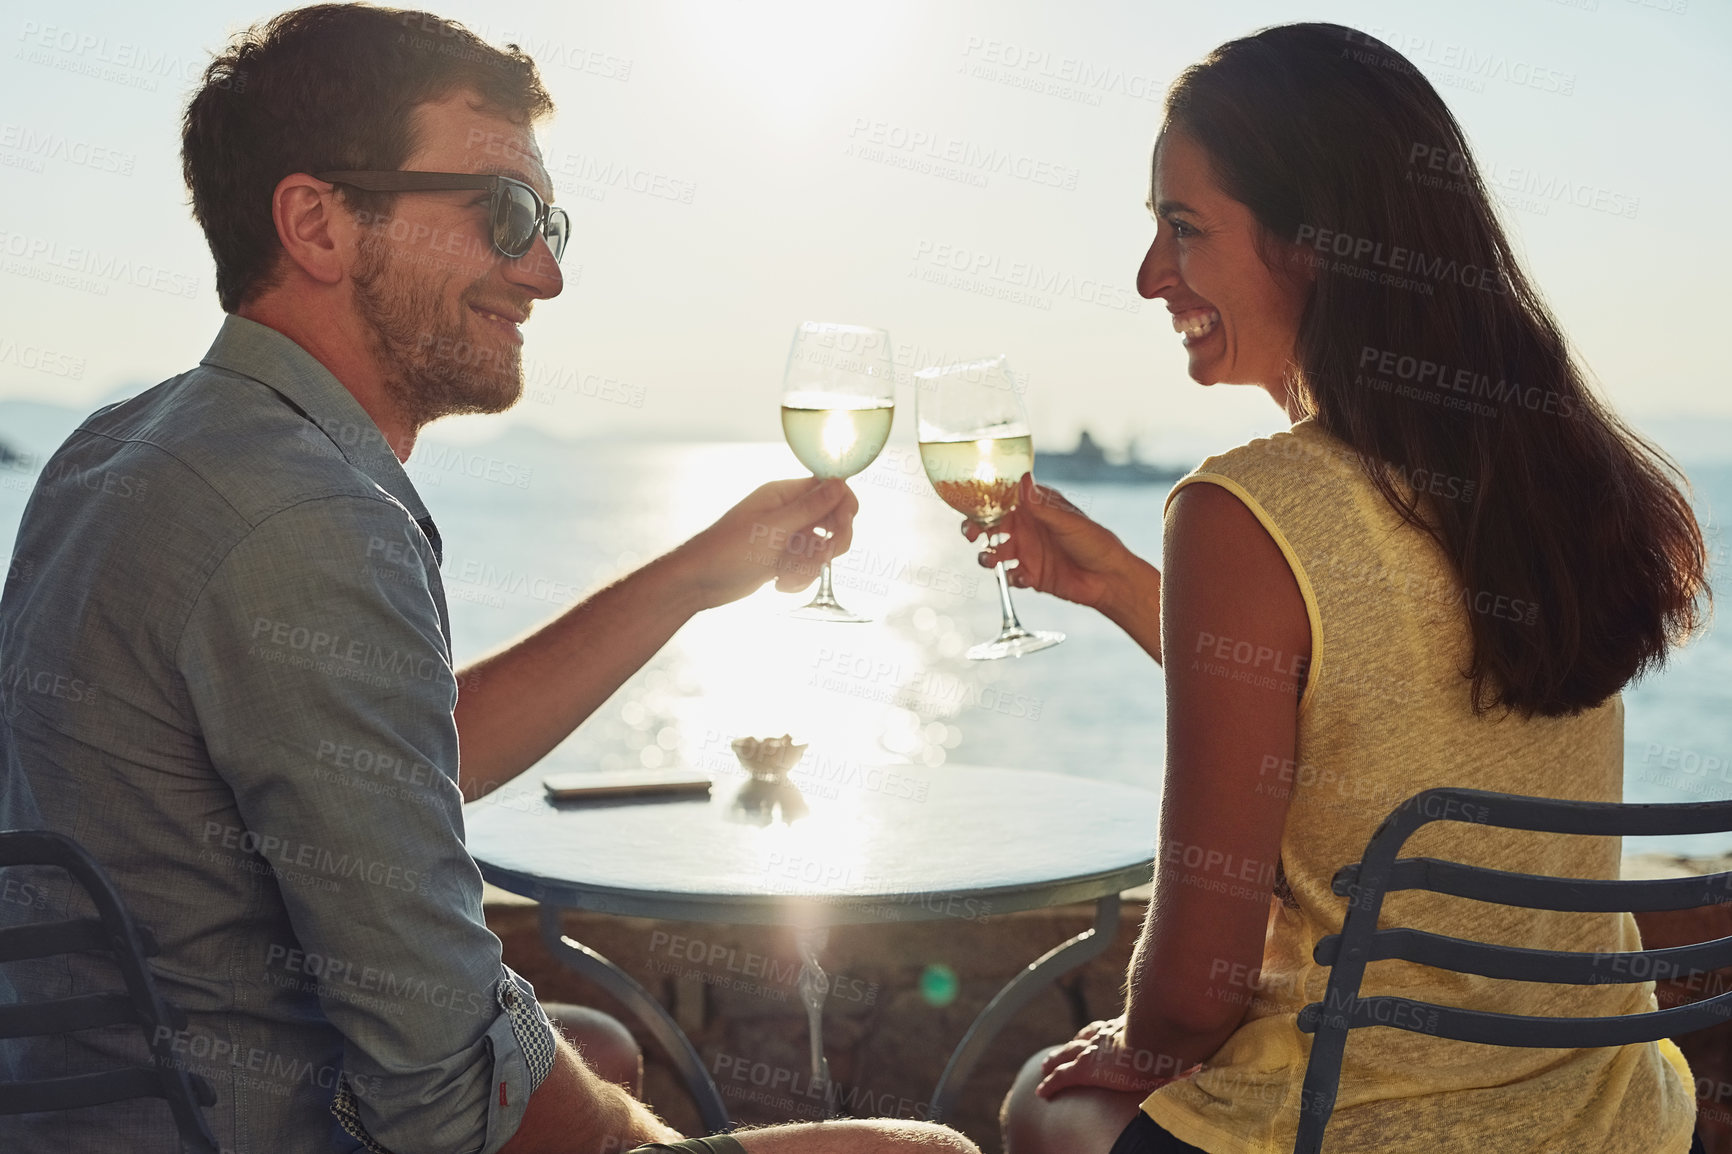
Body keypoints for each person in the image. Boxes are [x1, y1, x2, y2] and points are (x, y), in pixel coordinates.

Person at [0, 6, 977, 1154]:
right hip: (261, 1126)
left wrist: (691, 579)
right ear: (317, 222)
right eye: (505, 214)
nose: (546, 272)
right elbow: (448, 1084)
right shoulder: (312, 519)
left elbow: (386, 765)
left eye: (549, 220)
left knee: (593, 1046)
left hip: (88, 1101)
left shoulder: (121, 450)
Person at [987, 23, 1709, 1154]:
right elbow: (1383, 716)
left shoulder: (1242, 509)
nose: (1147, 277)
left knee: (1038, 1093)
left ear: (1313, 243)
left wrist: (1144, 1033)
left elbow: (1195, 987)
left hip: (1346, 1127)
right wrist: (1135, 591)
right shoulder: (1551, 472)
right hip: (1605, 1114)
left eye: (1184, 228)